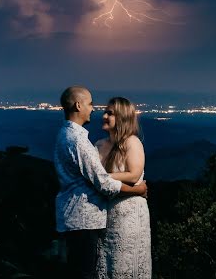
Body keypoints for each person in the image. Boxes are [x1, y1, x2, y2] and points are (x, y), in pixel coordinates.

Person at [54, 86, 147, 279]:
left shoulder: (68, 135)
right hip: (84, 218)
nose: (95, 110)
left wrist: (101, 177)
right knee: (86, 272)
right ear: (78, 105)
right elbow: (101, 181)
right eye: (90, 104)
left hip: (99, 215)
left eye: (109, 113)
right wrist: (138, 190)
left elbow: (111, 176)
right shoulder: (81, 141)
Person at [95, 97, 152, 279]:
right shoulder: (99, 145)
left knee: (126, 262)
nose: (104, 116)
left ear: (122, 117)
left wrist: (102, 178)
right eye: (105, 112)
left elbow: (134, 175)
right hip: (106, 214)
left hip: (129, 215)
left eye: (110, 113)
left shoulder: (132, 142)